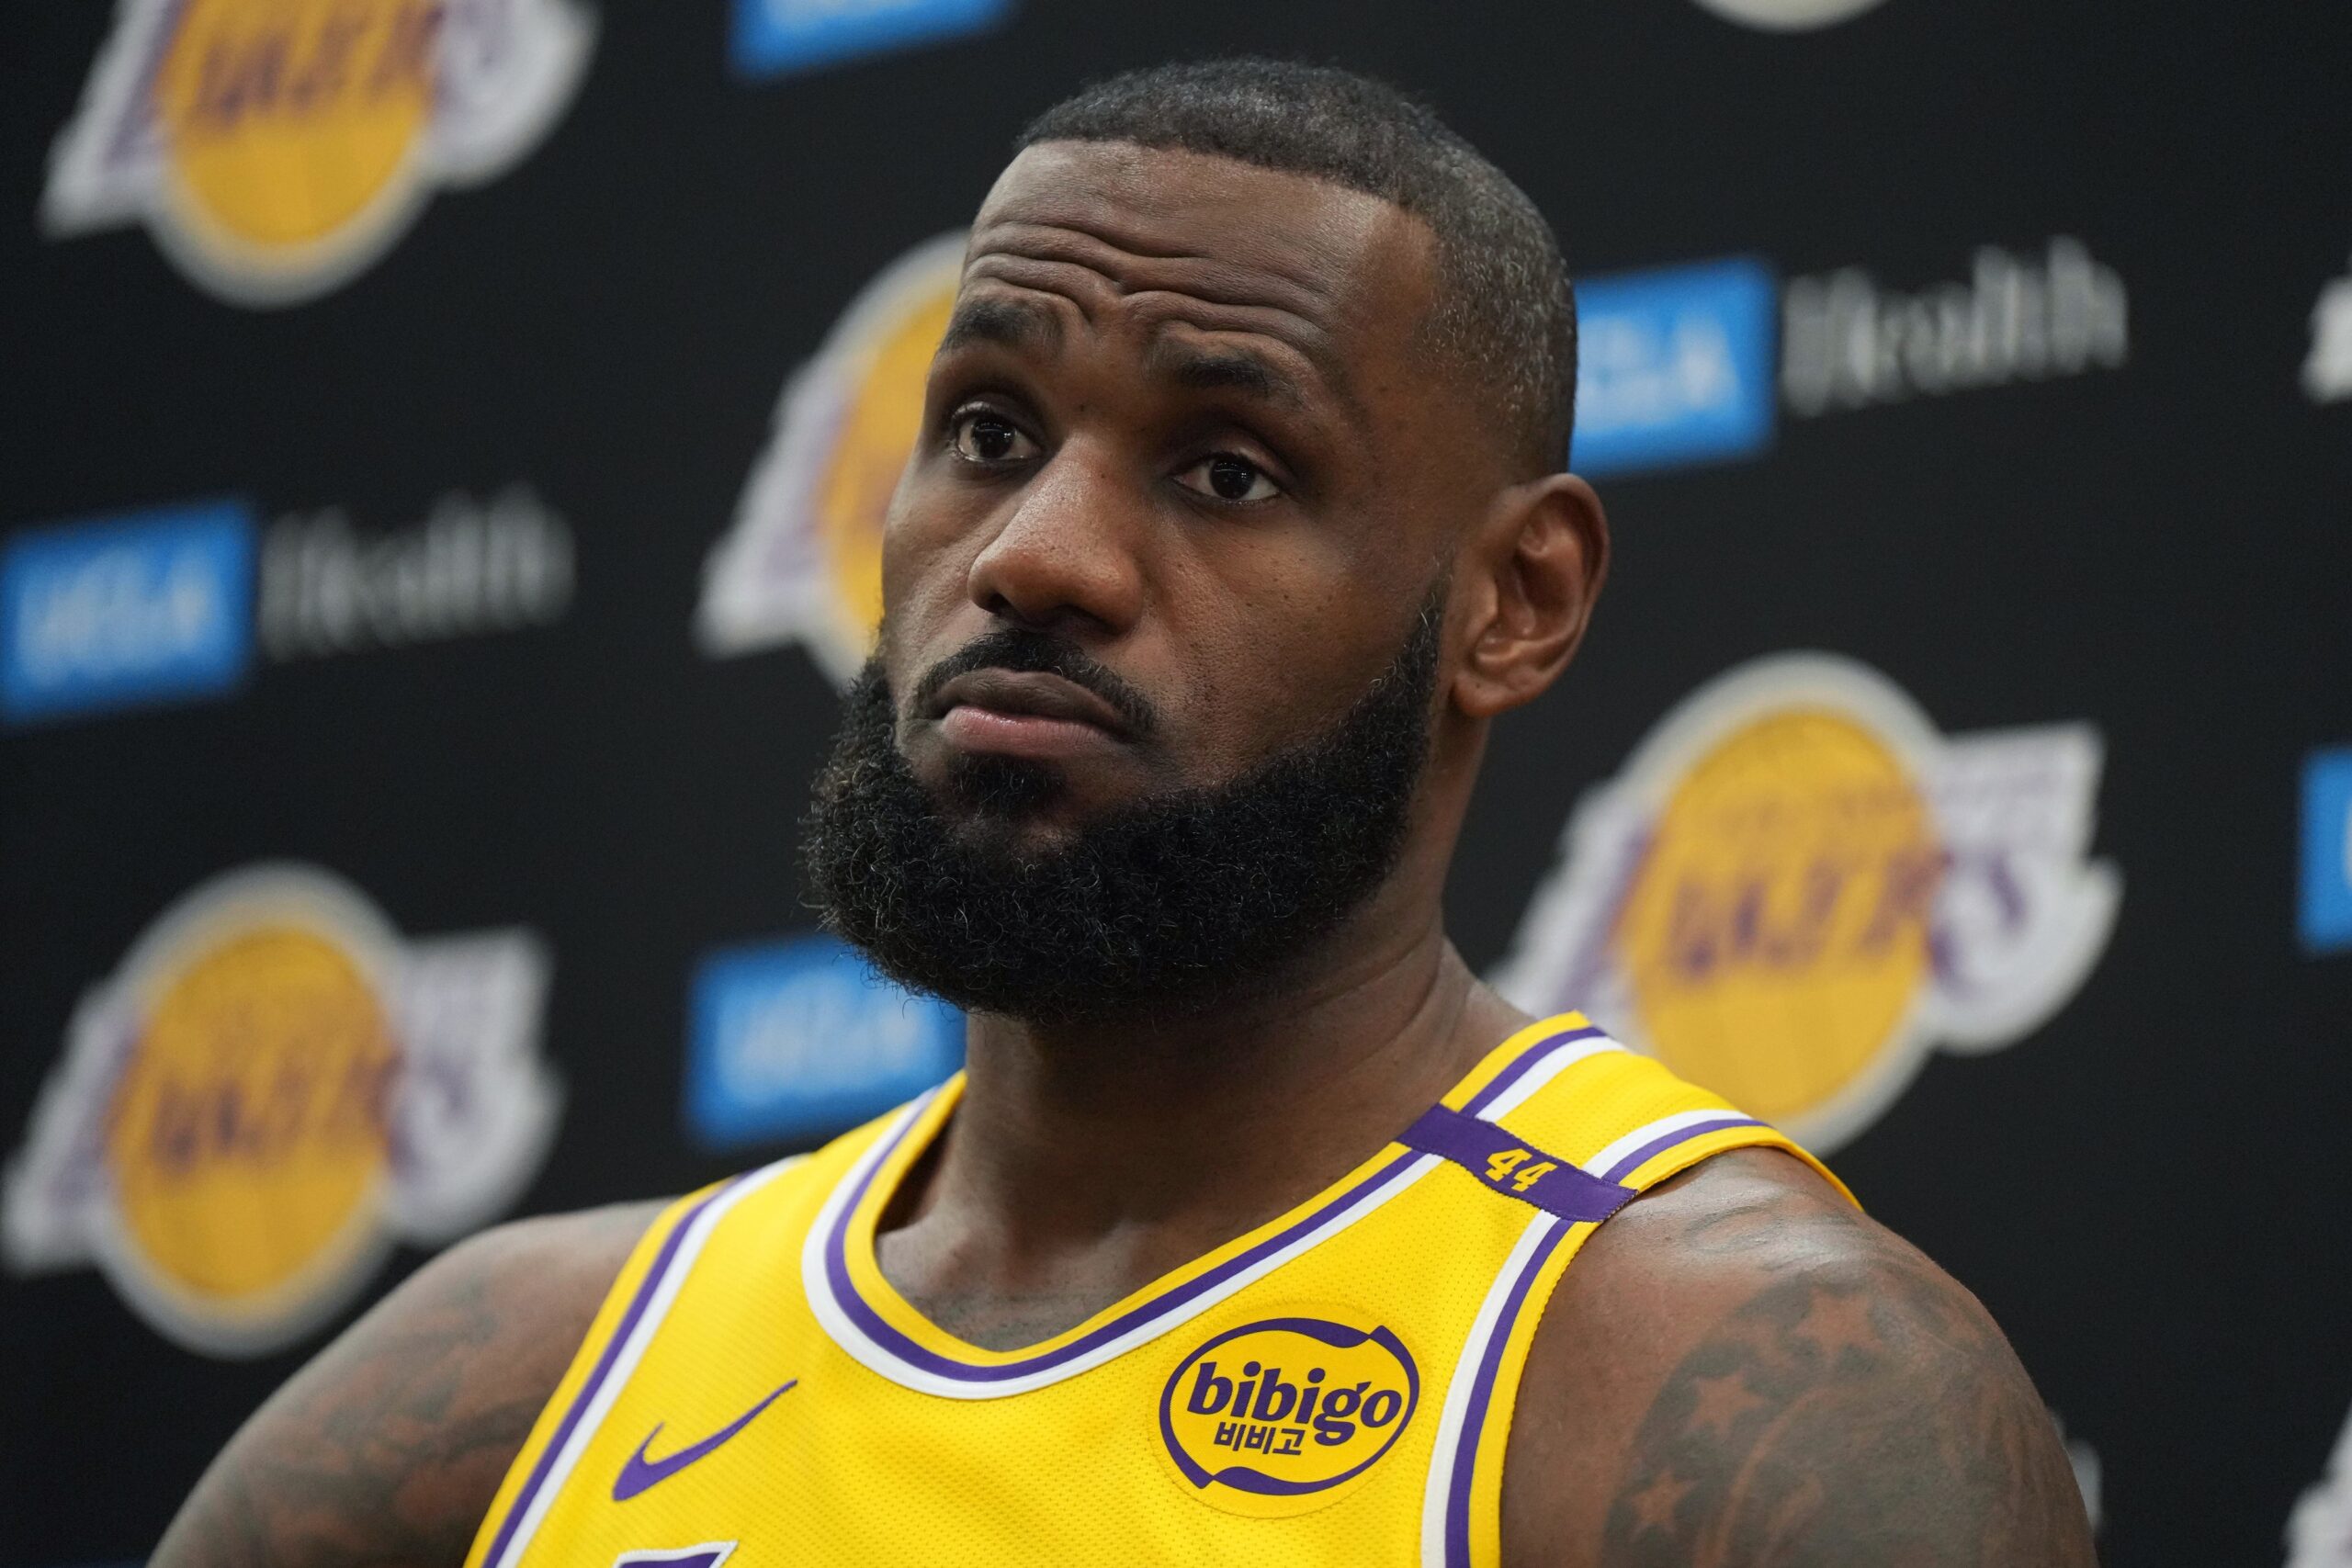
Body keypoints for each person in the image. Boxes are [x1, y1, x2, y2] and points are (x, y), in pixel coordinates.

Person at [153, 59, 2097, 1568]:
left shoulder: (1728, 1382)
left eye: (1229, 468)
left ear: (1513, 602)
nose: (1039, 556)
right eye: (988, 431)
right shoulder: (504, 1389)